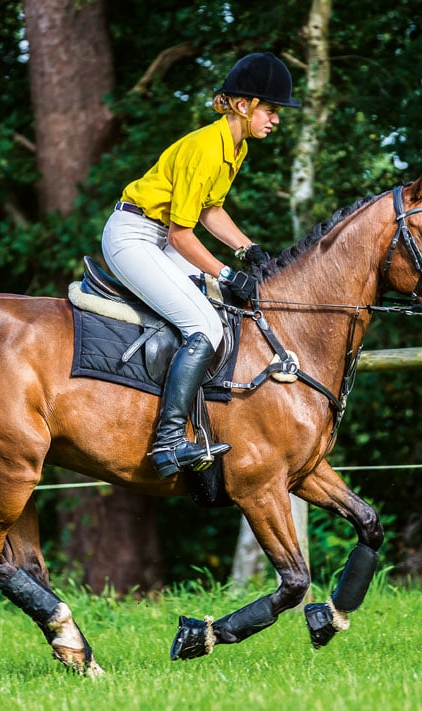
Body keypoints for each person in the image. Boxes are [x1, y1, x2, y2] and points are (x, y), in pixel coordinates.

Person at [101, 52, 300, 479]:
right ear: (244, 105)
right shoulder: (207, 148)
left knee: (222, 307)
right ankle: (170, 442)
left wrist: (248, 248)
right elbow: (181, 235)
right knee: (205, 326)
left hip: (157, 236)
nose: (276, 119)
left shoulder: (236, 146)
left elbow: (210, 210)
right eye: (270, 109)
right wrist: (226, 272)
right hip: (134, 237)